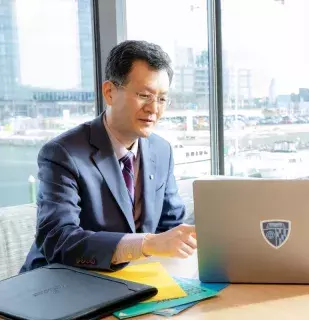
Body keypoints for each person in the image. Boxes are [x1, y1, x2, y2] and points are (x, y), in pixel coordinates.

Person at [21, 40, 197, 272]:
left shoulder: (161, 150)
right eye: (145, 95)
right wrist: (146, 244)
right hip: (62, 282)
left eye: (162, 99)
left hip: (133, 280)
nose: (154, 109)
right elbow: (58, 240)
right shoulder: (63, 153)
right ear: (110, 92)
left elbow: (170, 226)